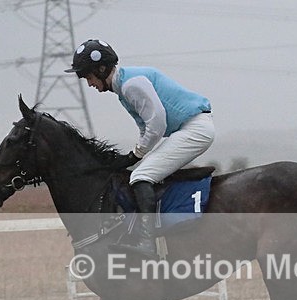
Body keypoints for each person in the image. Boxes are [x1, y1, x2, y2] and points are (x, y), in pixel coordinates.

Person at [65, 39, 215, 257]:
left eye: (89, 77)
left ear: (101, 68)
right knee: (142, 172)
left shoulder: (130, 85)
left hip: (195, 129)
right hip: (189, 128)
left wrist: (134, 155)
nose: (89, 84)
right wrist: (133, 155)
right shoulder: (124, 87)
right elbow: (147, 129)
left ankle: (147, 243)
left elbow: (157, 124)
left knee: (141, 175)